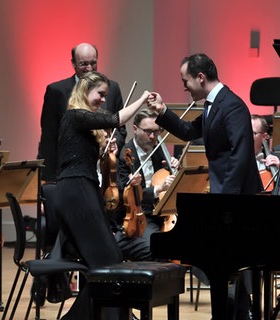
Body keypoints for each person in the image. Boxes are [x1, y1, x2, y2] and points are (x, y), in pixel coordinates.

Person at [147, 53, 262, 320]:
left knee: (234, 262)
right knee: (226, 262)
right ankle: (231, 314)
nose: (184, 87)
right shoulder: (213, 104)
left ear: (201, 77)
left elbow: (240, 155)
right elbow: (188, 131)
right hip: (226, 197)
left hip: (237, 200)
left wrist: (225, 202)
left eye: (185, 80)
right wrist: (163, 112)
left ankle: (235, 314)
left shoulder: (230, 105)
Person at [53, 71, 150, 319]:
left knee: (109, 263)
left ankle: (109, 315)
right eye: (101, 94)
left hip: (82, 190)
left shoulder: (83, 123)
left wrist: (104, 152)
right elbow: (116, 119)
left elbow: (83, 158)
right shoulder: (74, 115)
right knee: (108, 265)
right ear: (85, 91)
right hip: (76, 192)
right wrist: (142, 100)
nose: (103, 100)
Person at [38, 42, 125, 183]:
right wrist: (48, 180)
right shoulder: (57, 91)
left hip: (104, 170)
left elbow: (120, 130)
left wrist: (115, 145)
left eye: (93, 63)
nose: (89, 69)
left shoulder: (112, 88)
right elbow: (49, 138)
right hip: (69, 173)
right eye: (83, 64)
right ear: (73, 63)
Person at [114, 108, 179, 261]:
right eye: (148, 131)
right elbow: (124, 195)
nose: (153, 136)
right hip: (140, 217)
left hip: (162, 213)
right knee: (159, 248)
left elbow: (164, 179)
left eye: (157, 132)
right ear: (135, 129)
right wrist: (158, 189)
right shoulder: (124, 156)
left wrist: (173, 169)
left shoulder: (158, 149)